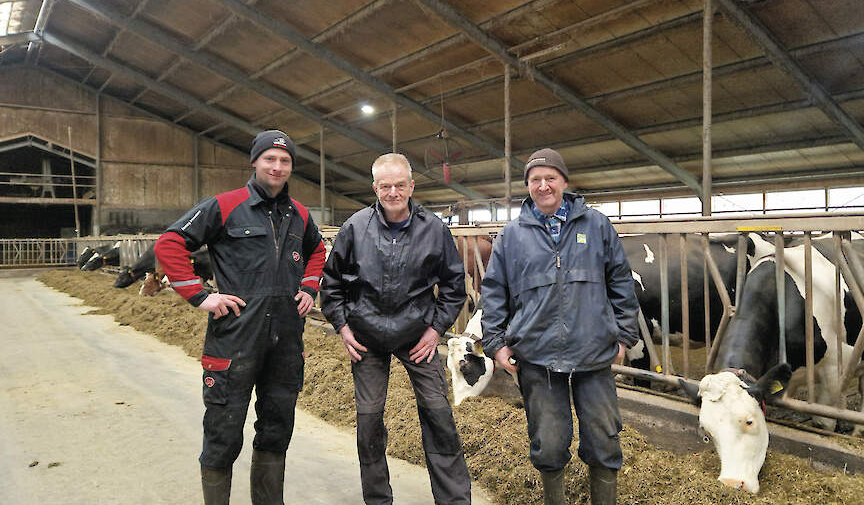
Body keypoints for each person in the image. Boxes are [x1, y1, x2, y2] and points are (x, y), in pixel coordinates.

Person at [154, 130, 327, 505]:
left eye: (285, 161)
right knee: (223, 430)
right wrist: (201, 296)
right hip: (233, 339)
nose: (277, 166)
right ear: (255, 161)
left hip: (285, 341)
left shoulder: (299, 213)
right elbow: (169, 243)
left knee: (277, 428)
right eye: (270, 159)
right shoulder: (224, 205)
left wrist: (309, 287)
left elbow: (317, 250)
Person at [479, 148, 640, 505]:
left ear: (565, 182)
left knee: (603, 439)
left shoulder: (596, 225)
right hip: (537, 352)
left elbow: (621, 282)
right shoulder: (511, 235)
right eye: (535, 179)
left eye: (550, 177)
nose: (543, 185)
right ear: (528, 187)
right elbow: (493, 292)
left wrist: (625, 336)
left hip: (593, 348)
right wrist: (495, 343)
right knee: (549, 441)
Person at [320, 153, 472, 505]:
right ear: (375, 188)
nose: (392, 192)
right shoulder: (355, 227)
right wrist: (343, 327)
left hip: (418, 334)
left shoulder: (434, 228)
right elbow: (331, 285)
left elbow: (453, 286)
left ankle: (453, 501)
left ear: (411, 186)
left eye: (399, 185)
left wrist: (435, 331)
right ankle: (377, 500)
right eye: (385, 186)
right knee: (369, 421)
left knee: (438, 415)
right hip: (366, 337)